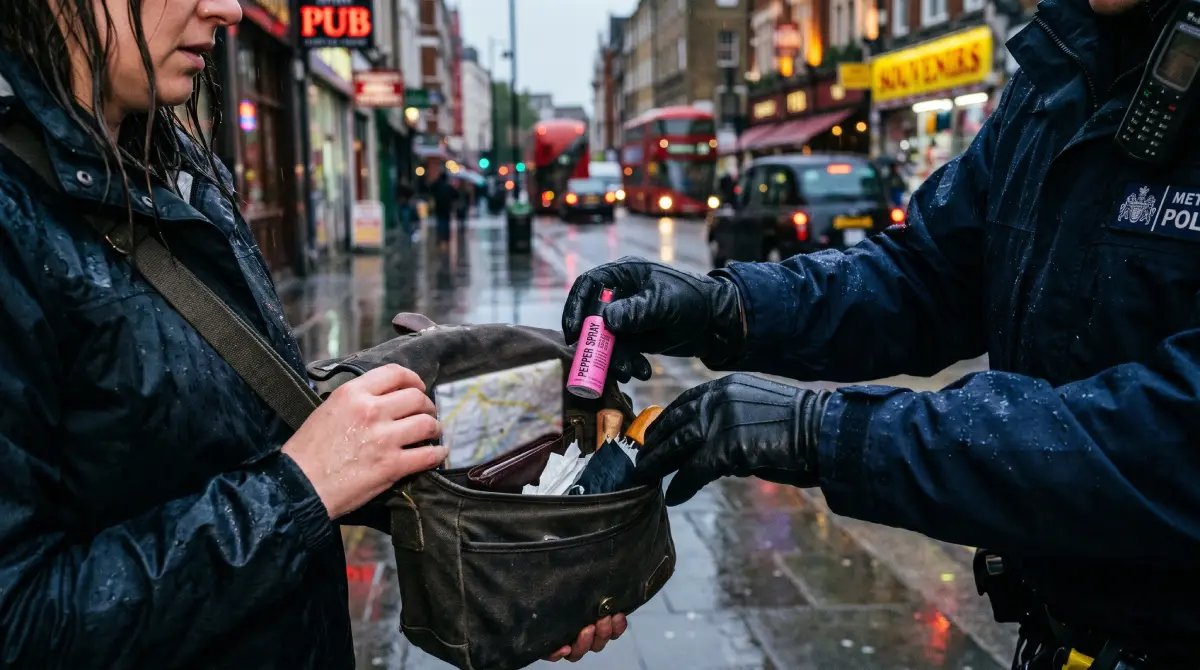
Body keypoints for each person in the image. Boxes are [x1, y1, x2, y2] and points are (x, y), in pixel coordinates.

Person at [563, 0, 1200, 665]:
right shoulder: (1059, 70)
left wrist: (827, 432)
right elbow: (929, 274)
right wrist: (727, 307)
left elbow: (1178, 437)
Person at [0, 1, 622, 667]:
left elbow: (237, 434)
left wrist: (515, 518)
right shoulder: (17, 217)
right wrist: (298, 489)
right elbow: (21, 623)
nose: (227, 9)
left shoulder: (172, 168)